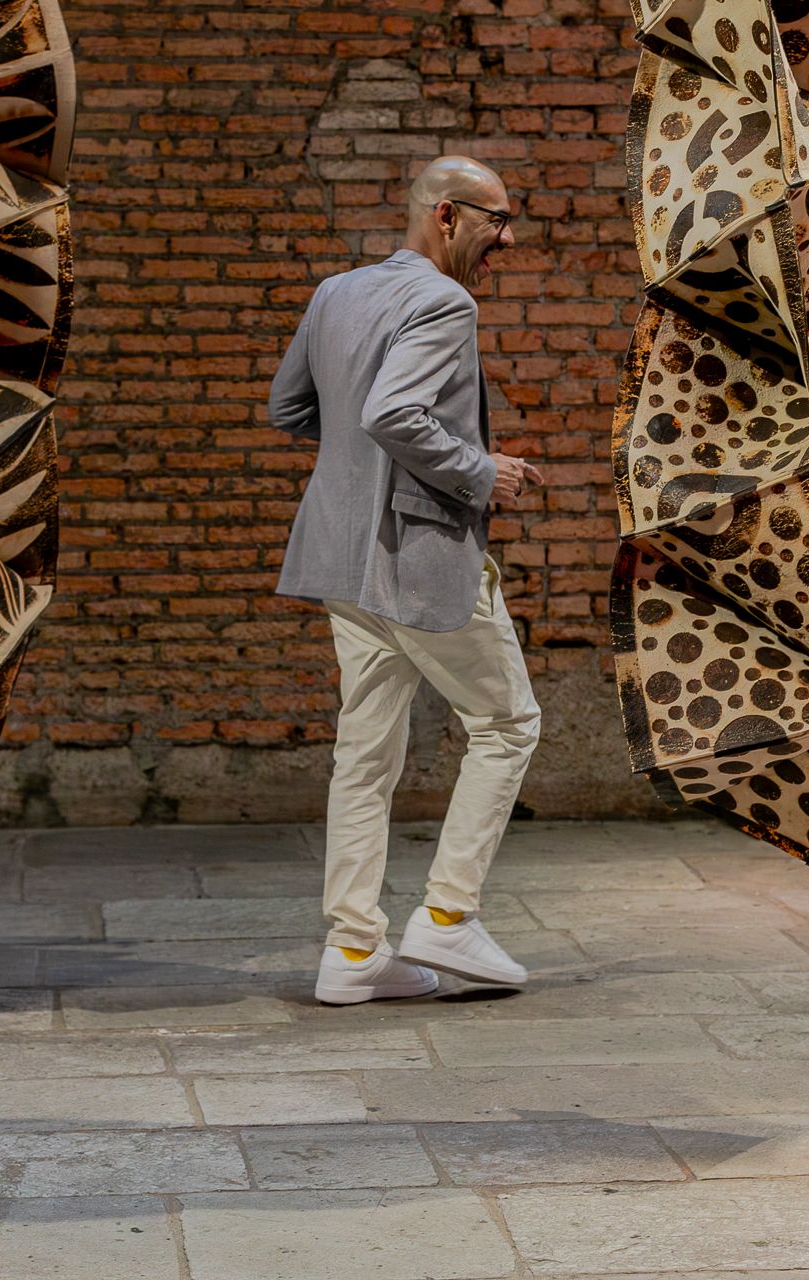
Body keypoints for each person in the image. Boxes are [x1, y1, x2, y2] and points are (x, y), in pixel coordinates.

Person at [269, 156, 546, 1006]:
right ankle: (448, 917)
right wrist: (478, 470)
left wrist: (359, 470)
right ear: (447, 215)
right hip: (416, 559)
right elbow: (394, 414)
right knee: (507, 725)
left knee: (366, 750)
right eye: (497, 219)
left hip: (344, 561)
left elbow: (293, 409)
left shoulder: (335, 294)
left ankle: (353, 954)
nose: (508, 236)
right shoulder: (443, 300)